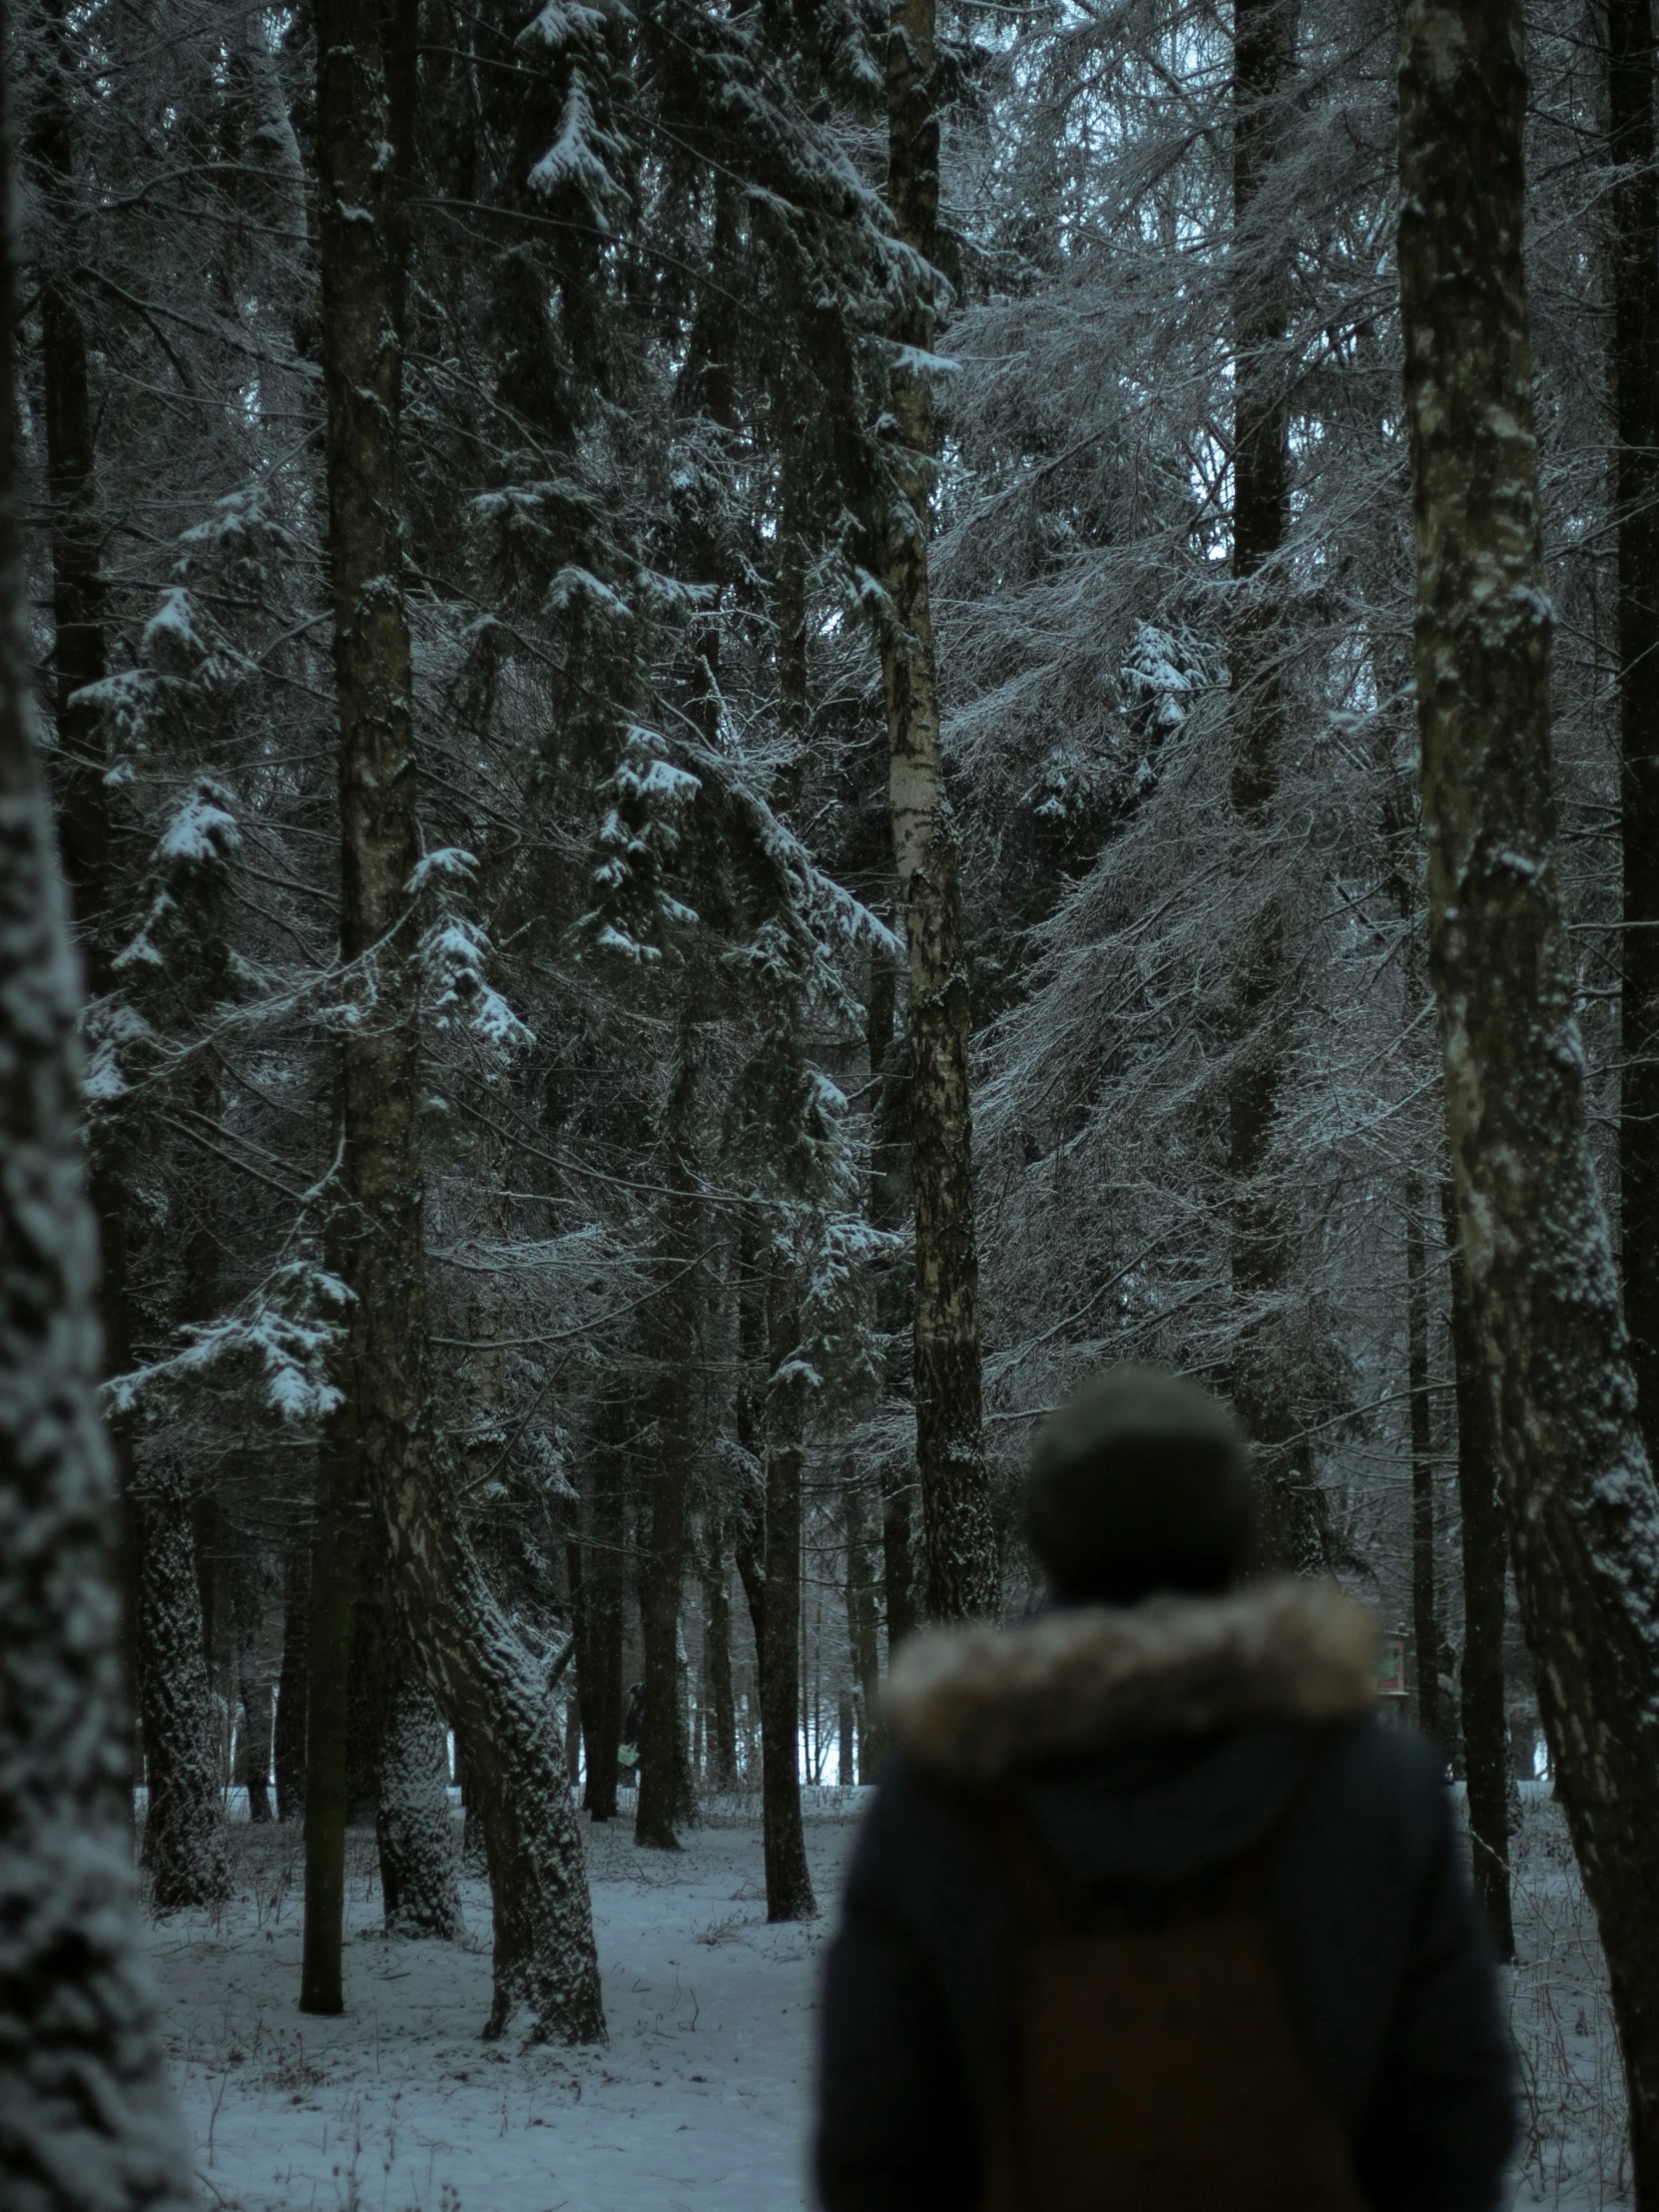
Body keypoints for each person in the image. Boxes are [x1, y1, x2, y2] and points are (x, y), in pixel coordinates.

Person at [815, 1367, 1514, 2212]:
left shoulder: (941, 1798)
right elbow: (1457, 2120)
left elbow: (872, 2142)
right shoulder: (1377, 1786)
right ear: (1233, 1527)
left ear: (1045, 1534)